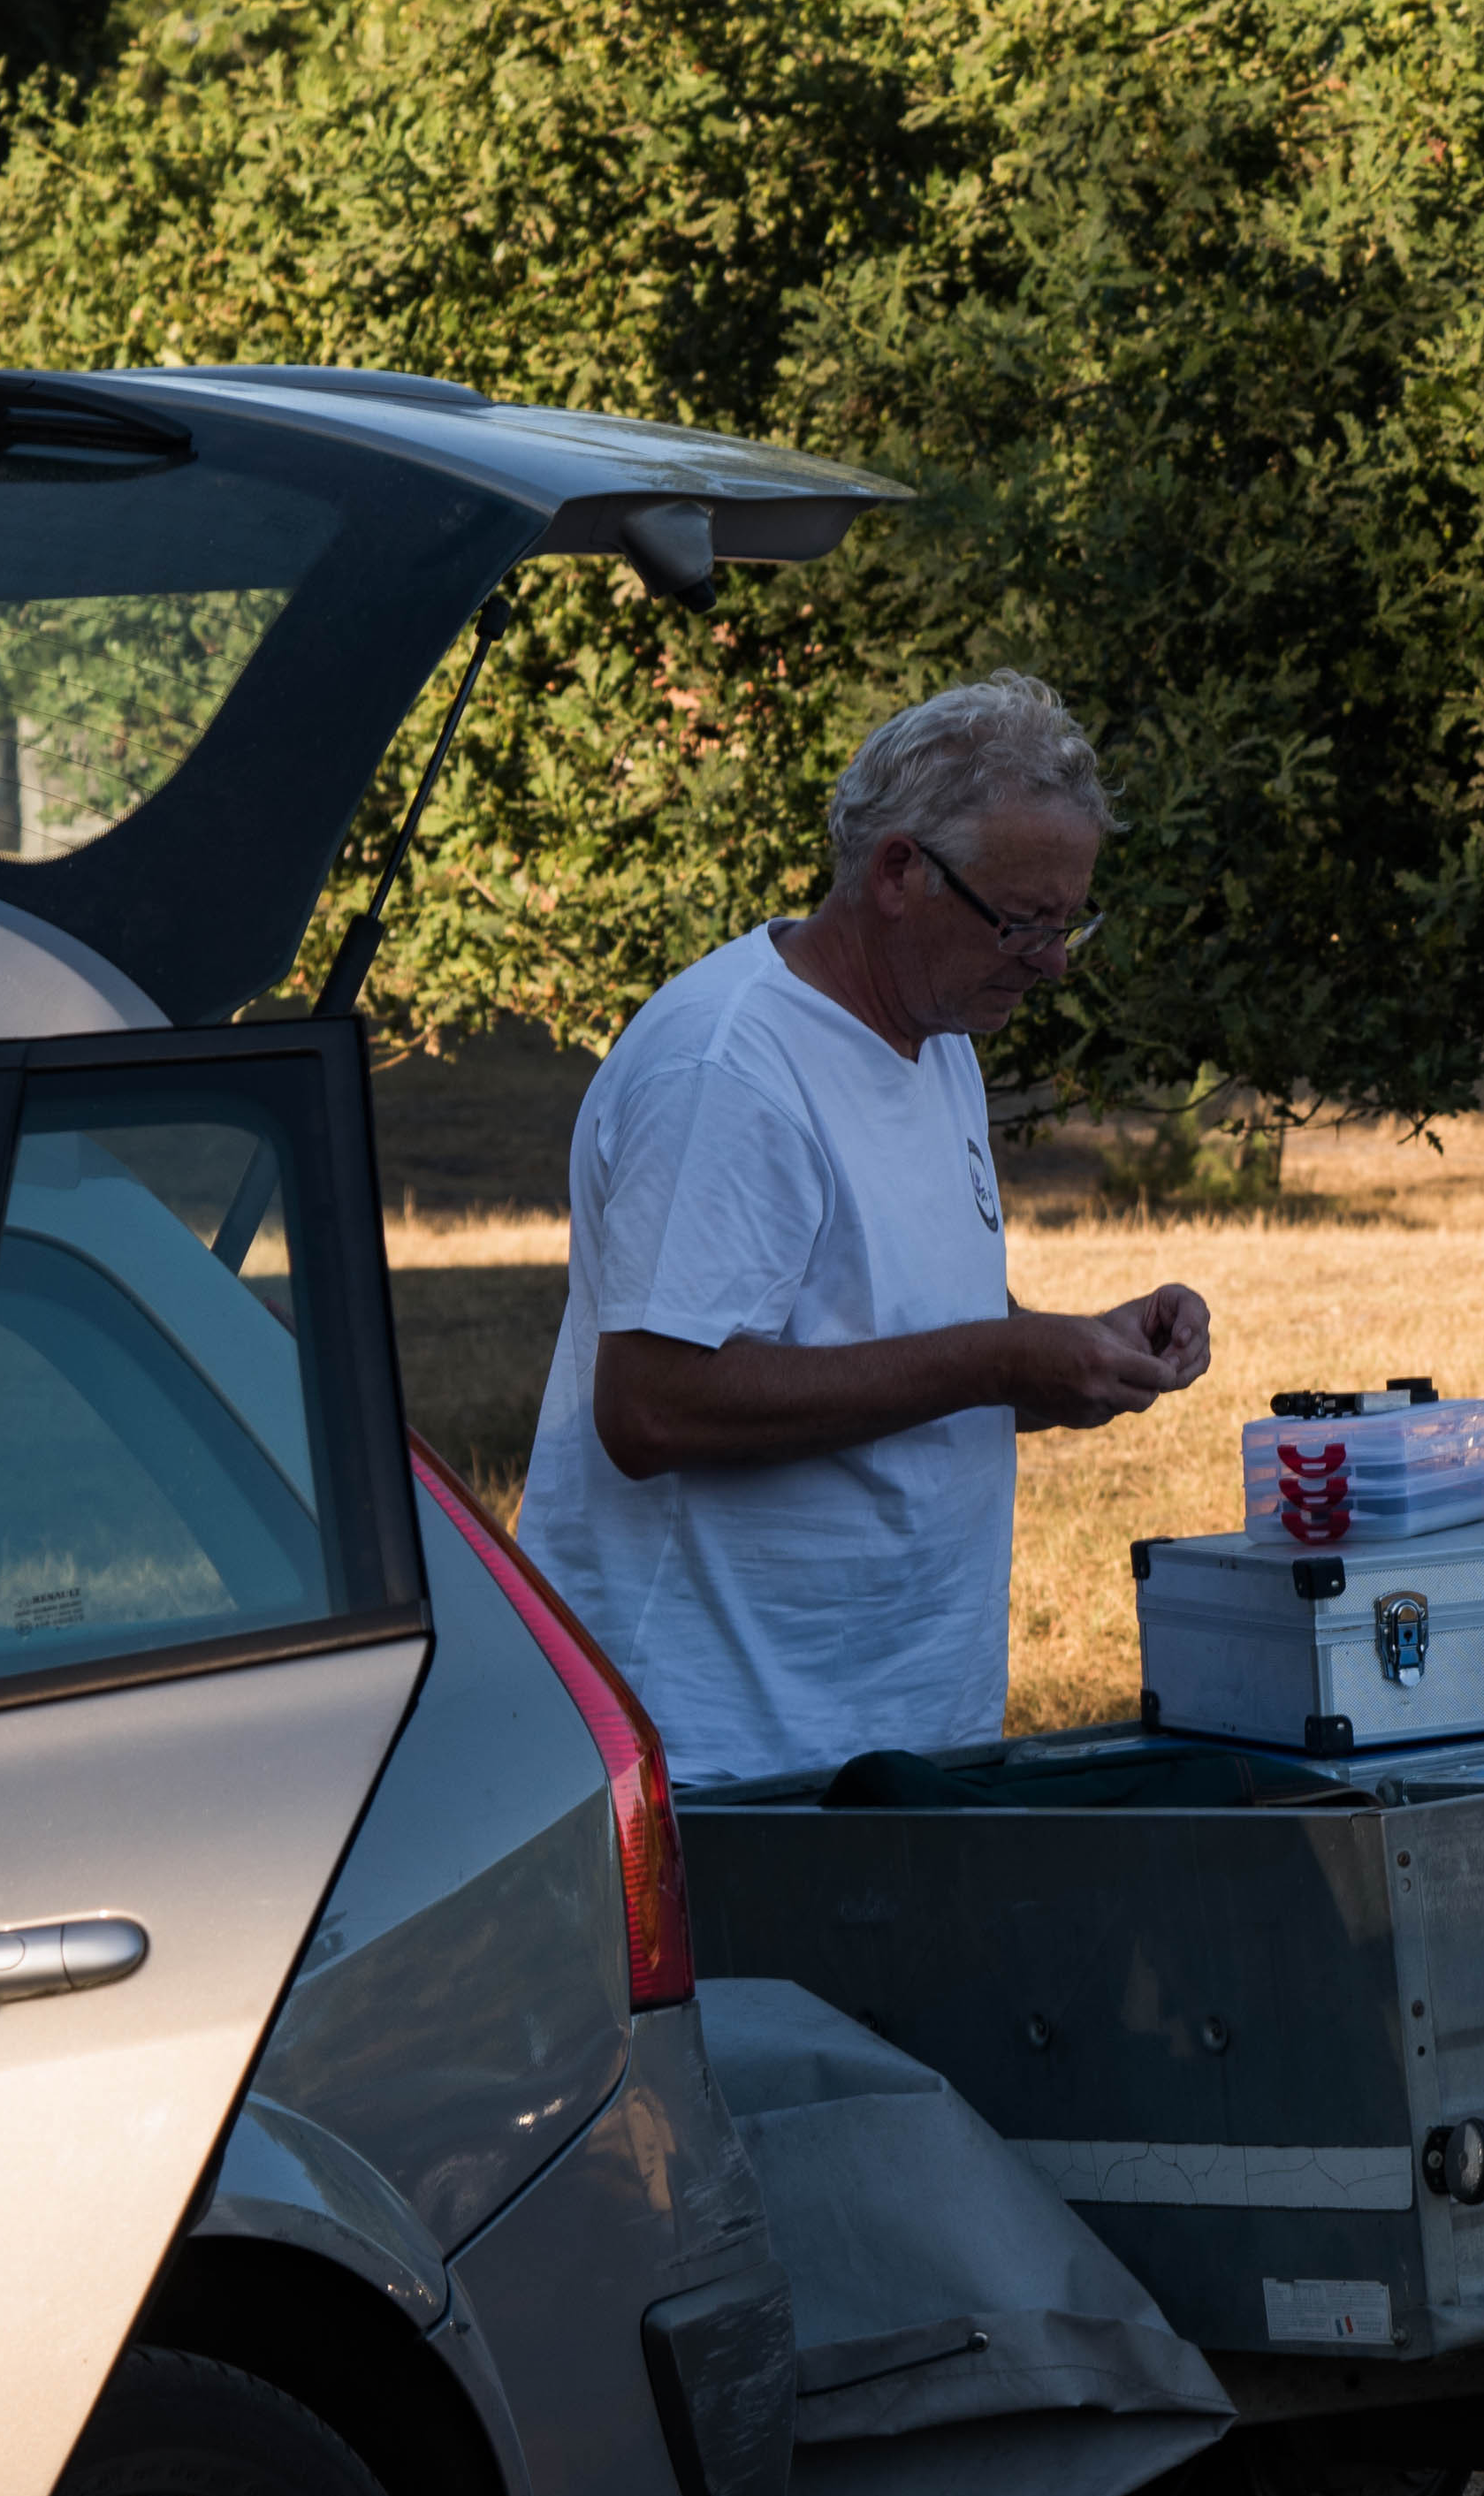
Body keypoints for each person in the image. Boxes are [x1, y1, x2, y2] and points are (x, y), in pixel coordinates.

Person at [515, 669, 1216, 1796]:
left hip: (898, 1738)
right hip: (721, 1759)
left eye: (1071, 919)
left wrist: (1077, 1352)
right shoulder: (730, 1066)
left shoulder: (936, 1038)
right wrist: (999, 1358)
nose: (1056, 961)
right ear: (900, 871)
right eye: (1026, 921)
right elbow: (651, 1403)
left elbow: (894, 1342)